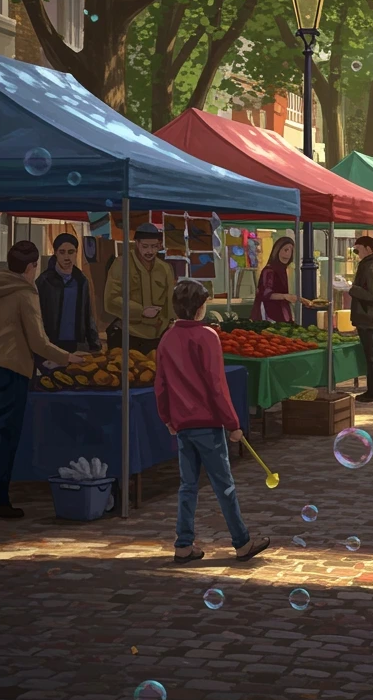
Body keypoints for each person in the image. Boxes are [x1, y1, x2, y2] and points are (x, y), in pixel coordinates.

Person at [155, 278, 269, 564]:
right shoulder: (207, 336)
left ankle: (183, 544)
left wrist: (167, 417)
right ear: (198, 307)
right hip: (207, 423)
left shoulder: (167, 338)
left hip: (182, 424)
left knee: (187, 485)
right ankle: (242, 542)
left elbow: (161, 384)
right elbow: (217, 386)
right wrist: (233, 423)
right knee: (224, 484)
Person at [0, 241, 79, 518]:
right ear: (32, 267)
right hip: (10, 370)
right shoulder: (25, 292)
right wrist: (68, 357)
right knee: (6, 438)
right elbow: (39, 342)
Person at [104, 222, 174, 354]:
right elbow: (111, 301)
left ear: (159, 245)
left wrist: (171, 323)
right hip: (128, 335)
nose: (150, 251)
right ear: (136, 243)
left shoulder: (165, 268)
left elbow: (170, 302)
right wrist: (141, 311)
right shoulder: (121, 264)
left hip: (157, 337)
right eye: (145, 246)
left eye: (154, 246)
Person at [36, 233, 100, 353]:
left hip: (75, 343)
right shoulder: (45, 281)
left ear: (76, 253)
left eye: (71, 252)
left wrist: (94, 343)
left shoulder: (81, 280)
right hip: (50, 343)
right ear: (55, 253)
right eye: (62, 252)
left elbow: (87, 313)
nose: (67, 257)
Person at [346, 235, 373, 403]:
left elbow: (372, 295)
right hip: (370, 316)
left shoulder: (371, 266)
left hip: (368, 317)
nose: (356, 253)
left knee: (372, 356)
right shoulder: (372, 264)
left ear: (368, 249)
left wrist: (351, 289)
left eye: (358, 249)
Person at [251, 236, 298, 323]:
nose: (288, 254)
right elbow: (266, 293)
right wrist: (285, 296)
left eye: (291, 251)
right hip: (268, 312)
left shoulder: (285, 270)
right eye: (285, 250)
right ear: (277, 251)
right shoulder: (269, 271)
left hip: (282, 312)